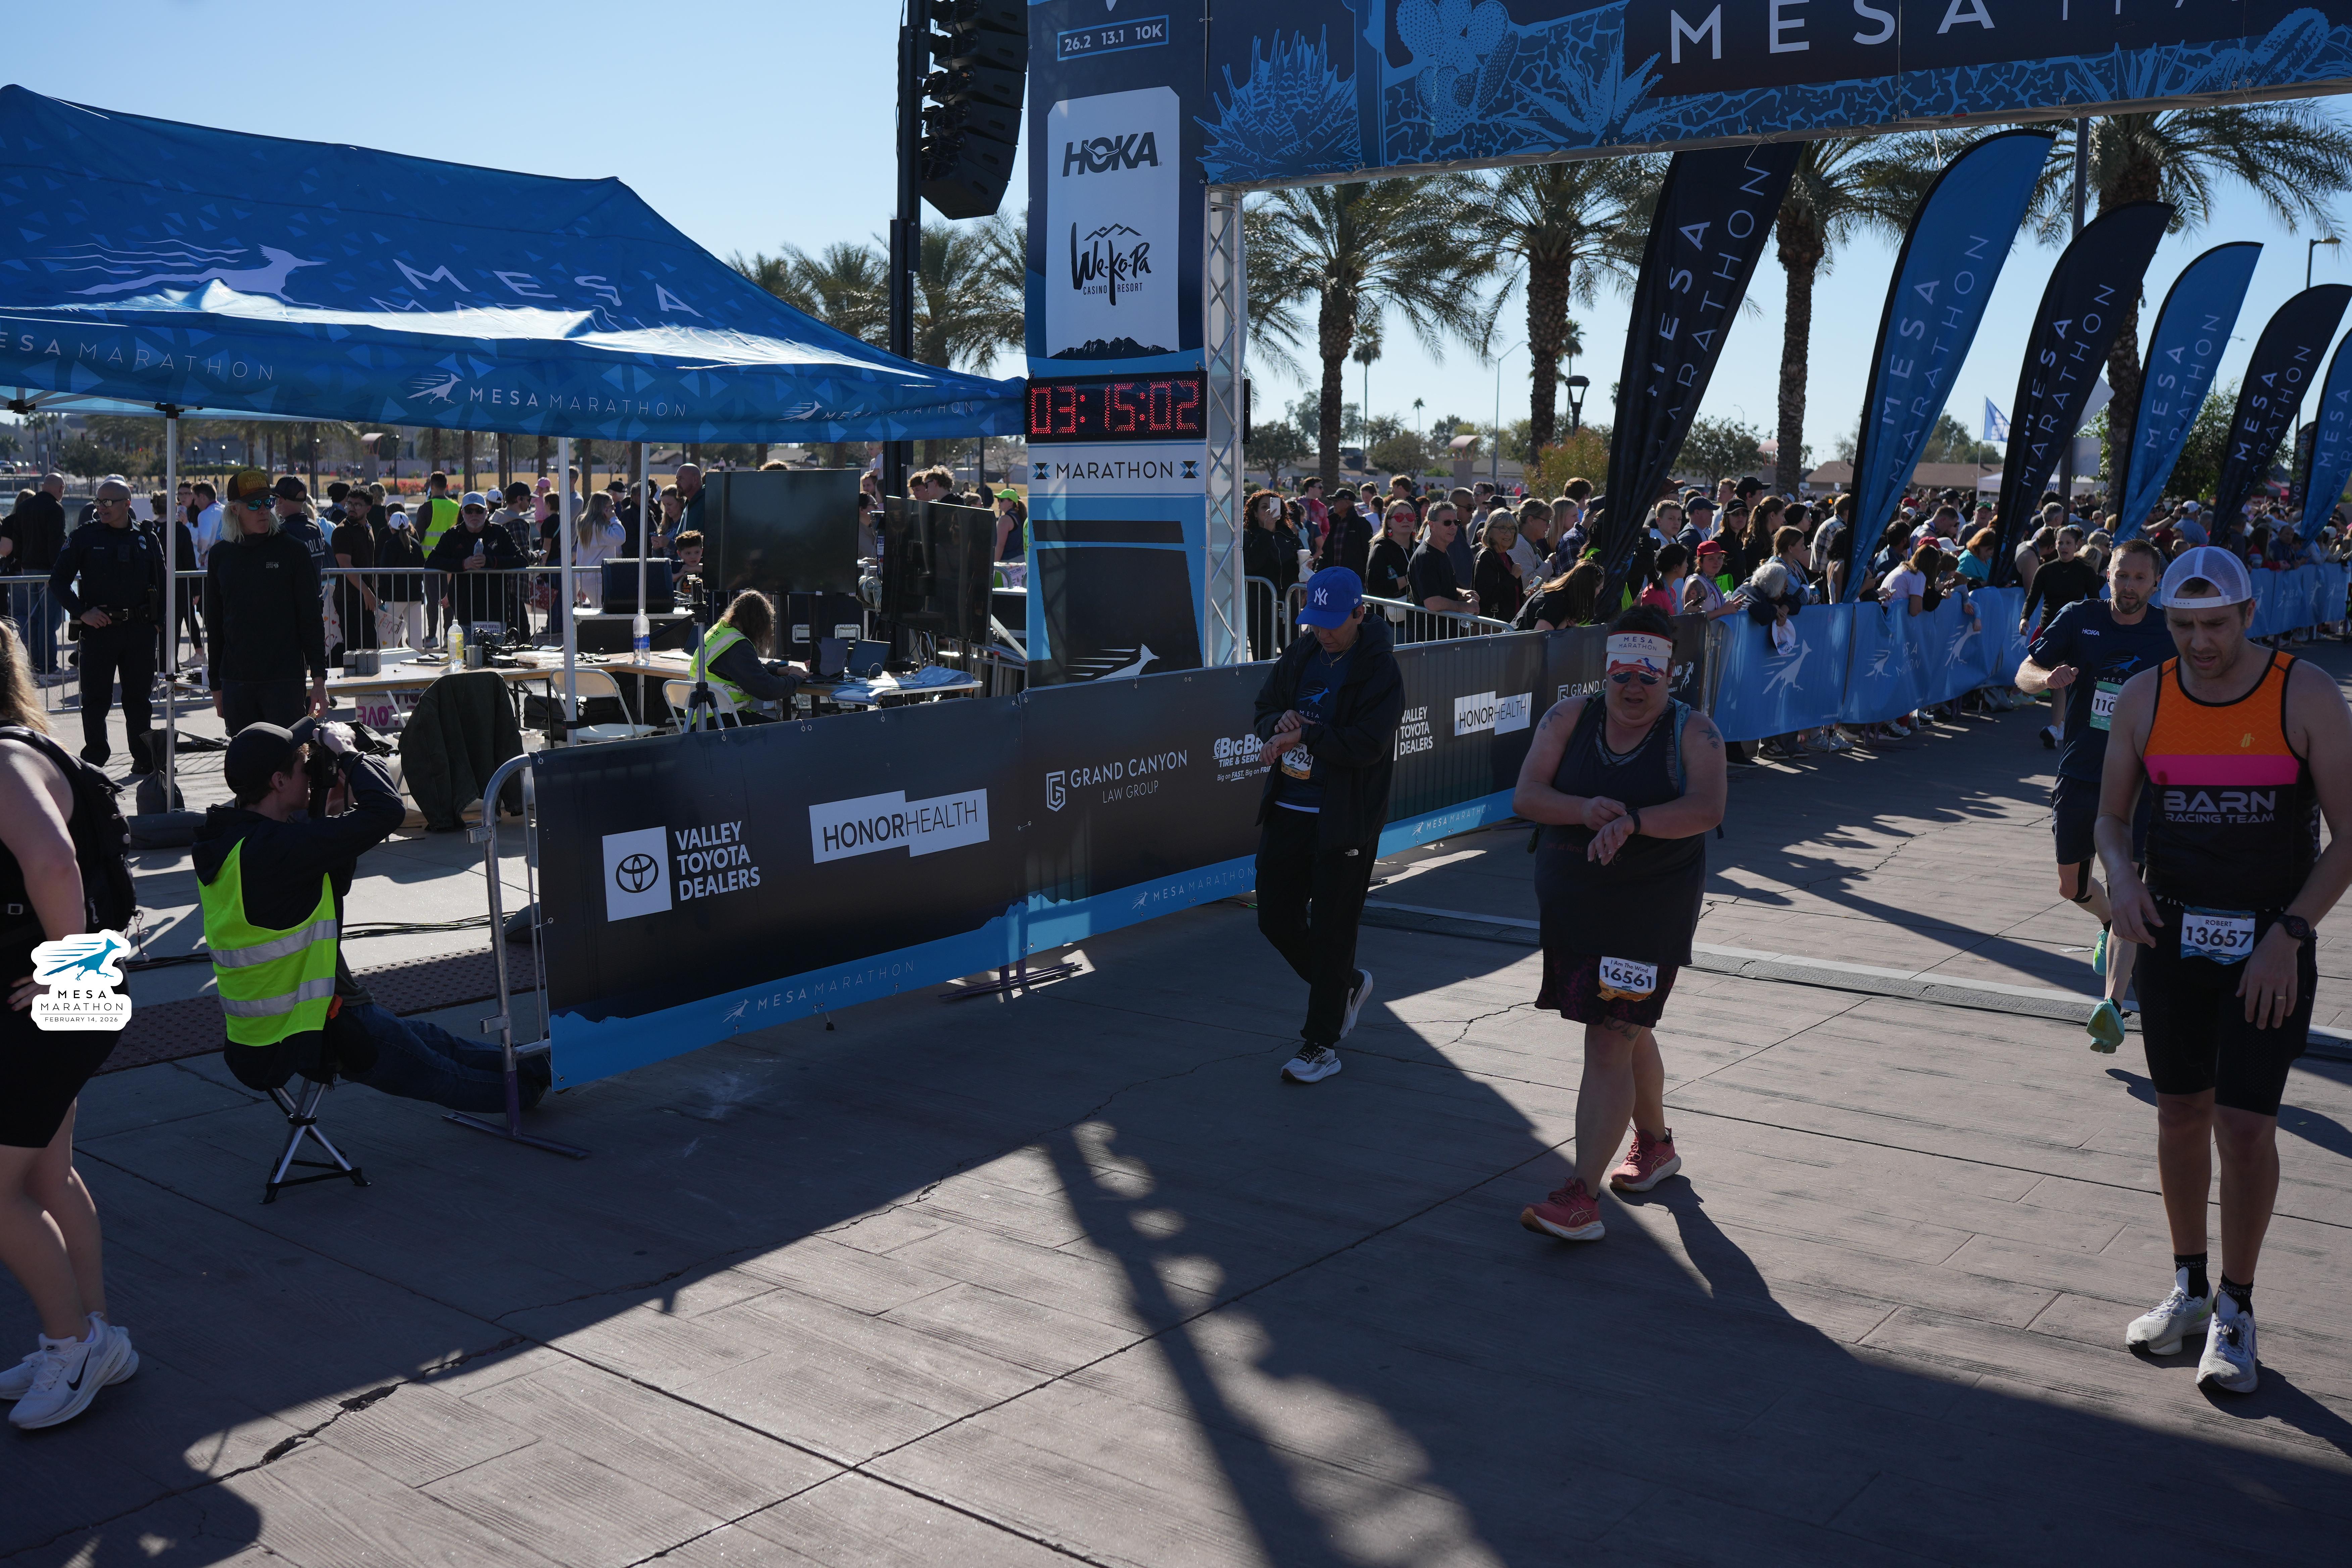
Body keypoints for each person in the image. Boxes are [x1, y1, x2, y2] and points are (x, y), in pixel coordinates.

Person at [2096, 546, 2352, 1396]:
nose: (2200, 642)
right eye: (2183, 626)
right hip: (2172, 934)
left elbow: (2349, 835)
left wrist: (2291, 932)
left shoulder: (2303, 693)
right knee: (2178, 1114)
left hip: (2269, 941)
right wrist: (2122, 878)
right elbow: (2110, 817)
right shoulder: (2147, 695)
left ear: (2249, 614)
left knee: (2245, 1128)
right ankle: (2190, 1288)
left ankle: (2238, 1307)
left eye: (2215, 624)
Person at [196, 719, 553, 1115]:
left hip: (264, 1033)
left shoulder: (231, 842)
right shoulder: (279, 850)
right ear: (279, 781)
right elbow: (387, 810)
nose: (311, 773)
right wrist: (350, 754)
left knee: (433, 1042)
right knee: (436, 1072)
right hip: (313, 1028)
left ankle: (539, 1063)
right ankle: (527, 1089)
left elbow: (330, 883)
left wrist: (329, 809)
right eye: (303, 767)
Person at [1514, 606, 1727, 1241]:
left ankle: (1581, 1199)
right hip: (1576, 907)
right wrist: (1584, 809)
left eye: (1648, 677)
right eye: (1622, 676)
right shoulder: (1567, 718)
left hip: (1649, 910)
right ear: (1605, 672)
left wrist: (1634, 821)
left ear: (1670, 674)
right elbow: (1527, 795)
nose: (1634, 688)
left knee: (1610, 1038)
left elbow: (1707, 807)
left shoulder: (1694, 732)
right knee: (1627, 1028)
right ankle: (1655, 1146)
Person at [0, 624, 138, 1430]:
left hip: (52, 999)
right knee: (48, 1177)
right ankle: (96, 1336)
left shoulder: (3, 757)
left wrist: (68, 966)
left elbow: (56, 863)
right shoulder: (25, 746)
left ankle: (73, 1344)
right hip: (65, 996)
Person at [2016, 539, 2172, 1049]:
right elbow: (2024, 673)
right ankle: (2107, 921)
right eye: (2121, 575)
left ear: (2155, 584)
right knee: (2071, 886)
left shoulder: (2169, 632)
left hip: (2140, 781)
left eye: (2139, 578)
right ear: (2108, 574)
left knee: (2129, 886)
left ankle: (2112, 1006)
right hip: (2082, 772)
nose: (2129, 586)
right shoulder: (2079, 617)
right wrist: (2046, 678)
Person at [1251, 568, 1402, 1085]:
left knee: (1335, 931)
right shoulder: (1303, 652)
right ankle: (1345, 985)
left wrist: (1306, 736)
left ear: (1360, 613)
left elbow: (1368, 744)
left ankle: (1321, 1044)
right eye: (1315, 622)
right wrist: (1278, 724)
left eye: (1332, 623)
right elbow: (1264, 707)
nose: (1323, 632)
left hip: (1345, 819)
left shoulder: (1379, 667)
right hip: (1288, 808)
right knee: (1274, 918)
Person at [47, 479, 165, 772]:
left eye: (108, 503)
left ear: (127, 504)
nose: (101, 508)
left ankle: (144, 759)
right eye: (98, 502)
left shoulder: (146, 537)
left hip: (139, 631)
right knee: (95, 700)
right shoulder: (84, 536)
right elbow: (58, 581)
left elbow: (162, 583)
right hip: (99, 631)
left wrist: (158, 624)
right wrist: (82, 612)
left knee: (139, 700)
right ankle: (95, 761)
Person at [204, 469, 328, 732]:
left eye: (268, 502)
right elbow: (214, 624)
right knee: (246, 756)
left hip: (284, 680)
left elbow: (311, 618)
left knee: (288, 755)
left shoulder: (293, 551)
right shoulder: (220, 556)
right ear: (235, 509)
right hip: (237, 682)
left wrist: (319, 679)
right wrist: (216, 684)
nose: (263, 510)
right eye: (254, 504)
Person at [692, 590, 805, 721]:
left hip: (702, 717)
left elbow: (739, 667)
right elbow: (767, 689)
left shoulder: (721, 631)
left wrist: (776, 670)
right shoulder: (738, 645)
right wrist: (795, 678)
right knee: (786, 731)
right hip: (722, 719)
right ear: (759, 624)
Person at [427, 492, 525, 637]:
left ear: (487, 512)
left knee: (495, 652)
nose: (474, 515)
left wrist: (491, 562)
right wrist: (463, 564)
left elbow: (521, 560)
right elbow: (431, 561)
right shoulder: (453, 535)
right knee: (468, 651)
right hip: (465, 610)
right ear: (463, 513)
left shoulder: (499, 532)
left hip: (495, 610)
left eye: (479, 511)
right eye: (469, 511)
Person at [0, 479, 68, 680]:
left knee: (35, 618)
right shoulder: (55, 508)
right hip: (47, 571)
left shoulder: (24, 508)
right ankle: (49, 667)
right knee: (48, 620)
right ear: (61, 489)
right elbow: (55, 542)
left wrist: (23, 563)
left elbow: (18, 540)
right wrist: (56, 571)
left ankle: (37, 665)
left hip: (27, 570)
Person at [1240, 490, 1299, 660]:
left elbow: (1295, 563)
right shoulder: (1248, 535)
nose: (1269, 511)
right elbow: (1251, 564)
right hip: (1260, 604)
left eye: (1273, 506)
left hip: (1287, 602)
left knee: (1293, 654)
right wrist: (1267, 531)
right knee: (1263, 656)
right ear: (1255, 513)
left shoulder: (1288, 533)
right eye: (1264, 507)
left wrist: (1305, 564)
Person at [328, 492, 379, 668]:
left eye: (357, 505)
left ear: (368, 508)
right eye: (349, 504)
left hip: (365, 597)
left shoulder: (367, 528)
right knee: (357, 652)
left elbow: (370, 565)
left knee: (371, 650)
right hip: (349, 599)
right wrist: (367, 592)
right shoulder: (342, 531)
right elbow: (346, 567)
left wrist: (373, 592)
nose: (351, 508)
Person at [374, 509, 428, 652]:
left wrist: (381, 594)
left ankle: (388, 662)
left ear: (391, 528)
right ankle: (417, 661)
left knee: (388, 637)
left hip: (394, 596)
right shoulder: (416, 545)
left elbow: (385, 573)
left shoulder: (390, 545)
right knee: (416, 636)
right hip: (415, 595)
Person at [1409, 506, 1475, 617]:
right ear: (1432, 525)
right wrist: (1465, 606)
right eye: (1447, 523)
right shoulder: (1426, 557)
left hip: (1444, 626)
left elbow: (1440, 588)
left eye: (1456, 522)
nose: (1453, 527)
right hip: (1430, 627)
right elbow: (1432, 603)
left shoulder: (1441, 550)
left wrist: (1462, 593)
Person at [1514, 559, 1604, 631]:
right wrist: (1565, 622)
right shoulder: (1557, 603)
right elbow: (1541, 639)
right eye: (1600, 588)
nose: (1601, 591)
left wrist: (1567, 624)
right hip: (1517, 645)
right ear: (1588, 589)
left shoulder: (1559, 594)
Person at [1475, 513, 1526, 622]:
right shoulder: (1487, 557)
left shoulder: (1506, 557)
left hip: (1510, 624)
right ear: (1490, 532)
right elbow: (1487, 598)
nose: (1509, 534)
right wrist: (1513, 578)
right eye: (1503, 528)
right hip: (1494, 627)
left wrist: (1526, 596)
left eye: (1512, 529)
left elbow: (1510, 595)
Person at [1314, 488, 1373, 580]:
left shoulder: (1361, 524)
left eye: (1337, 501)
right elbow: (1326, 554)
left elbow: (1368, 554)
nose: (1333, 504)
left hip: (1354, 581)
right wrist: (1316, 576)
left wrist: (1367, 579)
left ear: (1348, 503)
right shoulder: (1335, 524)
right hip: (1334, 580)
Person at [1364, 502, 1417, 600]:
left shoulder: (1420, 549)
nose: (1406, 520)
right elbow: (1374, 589)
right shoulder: (1381, 549)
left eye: (1410, 517)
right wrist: (1409, 578)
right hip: (1388, 609)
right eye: (1399, 517)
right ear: (1389, 523)